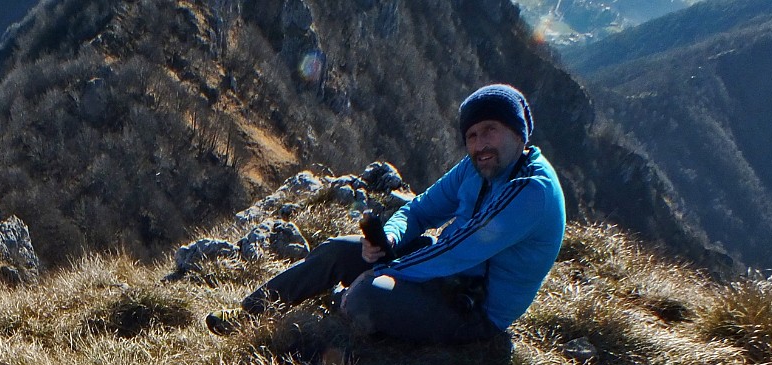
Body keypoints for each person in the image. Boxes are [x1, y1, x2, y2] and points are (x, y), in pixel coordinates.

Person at [207, 84, 567, 347]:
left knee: (369, 297)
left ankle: (345, 299)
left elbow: (457, 250)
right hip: (443, 278)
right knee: (336, 250)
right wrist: (391, 239)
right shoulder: (476, 167)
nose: (479, 144)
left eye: (490, 130)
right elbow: (420, 209)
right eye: (472, 135)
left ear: (519, 133)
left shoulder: (530, 190)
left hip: (473, 311)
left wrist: (381, 271)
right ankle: (247, 313)